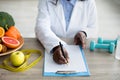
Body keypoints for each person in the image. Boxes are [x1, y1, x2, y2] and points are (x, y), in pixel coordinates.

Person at [35, 0, 98, 64]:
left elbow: (93, 28)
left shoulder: (89, 2)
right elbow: (41, 27)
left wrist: (84, 33)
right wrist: (56, 45)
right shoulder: (45, 1)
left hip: (78, 49)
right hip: (52, 45)